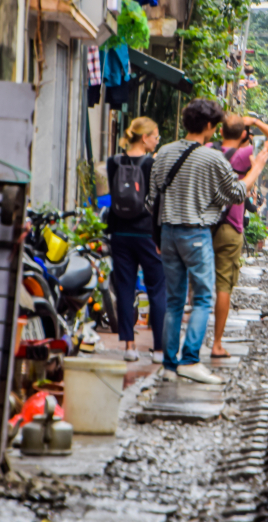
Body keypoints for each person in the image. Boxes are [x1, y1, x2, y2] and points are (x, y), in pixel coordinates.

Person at [148, 100, 268, 384]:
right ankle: (190, 360)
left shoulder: (163, 153)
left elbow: (151, 199)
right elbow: (237, 193)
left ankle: (169, 365)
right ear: (208, 126)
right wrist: (256, 169)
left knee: (174, 300)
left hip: (167, 233)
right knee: (202, 297)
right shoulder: (212, 158)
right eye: (214, 126)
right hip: (196, 233)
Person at [210, 114, 268, 359]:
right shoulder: (245, 154)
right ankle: (216, 344)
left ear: (221, 131)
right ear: (244, 134)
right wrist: (256, 122)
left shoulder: (208, 149)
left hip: (203, 224)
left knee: (197, 283)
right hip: (230, 225)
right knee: (224, 285)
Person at [107, 117, 167, 364]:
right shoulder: (151, 164)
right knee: (157, 289)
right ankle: (159, 350)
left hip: (119, 233)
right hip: (146, 233)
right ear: (144, 138)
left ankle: (129, 346)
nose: (157, 141)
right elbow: (157, 202)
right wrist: (160, 237)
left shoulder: (113, 162)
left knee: (124, 287)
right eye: (155, 136)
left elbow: (112, 194)